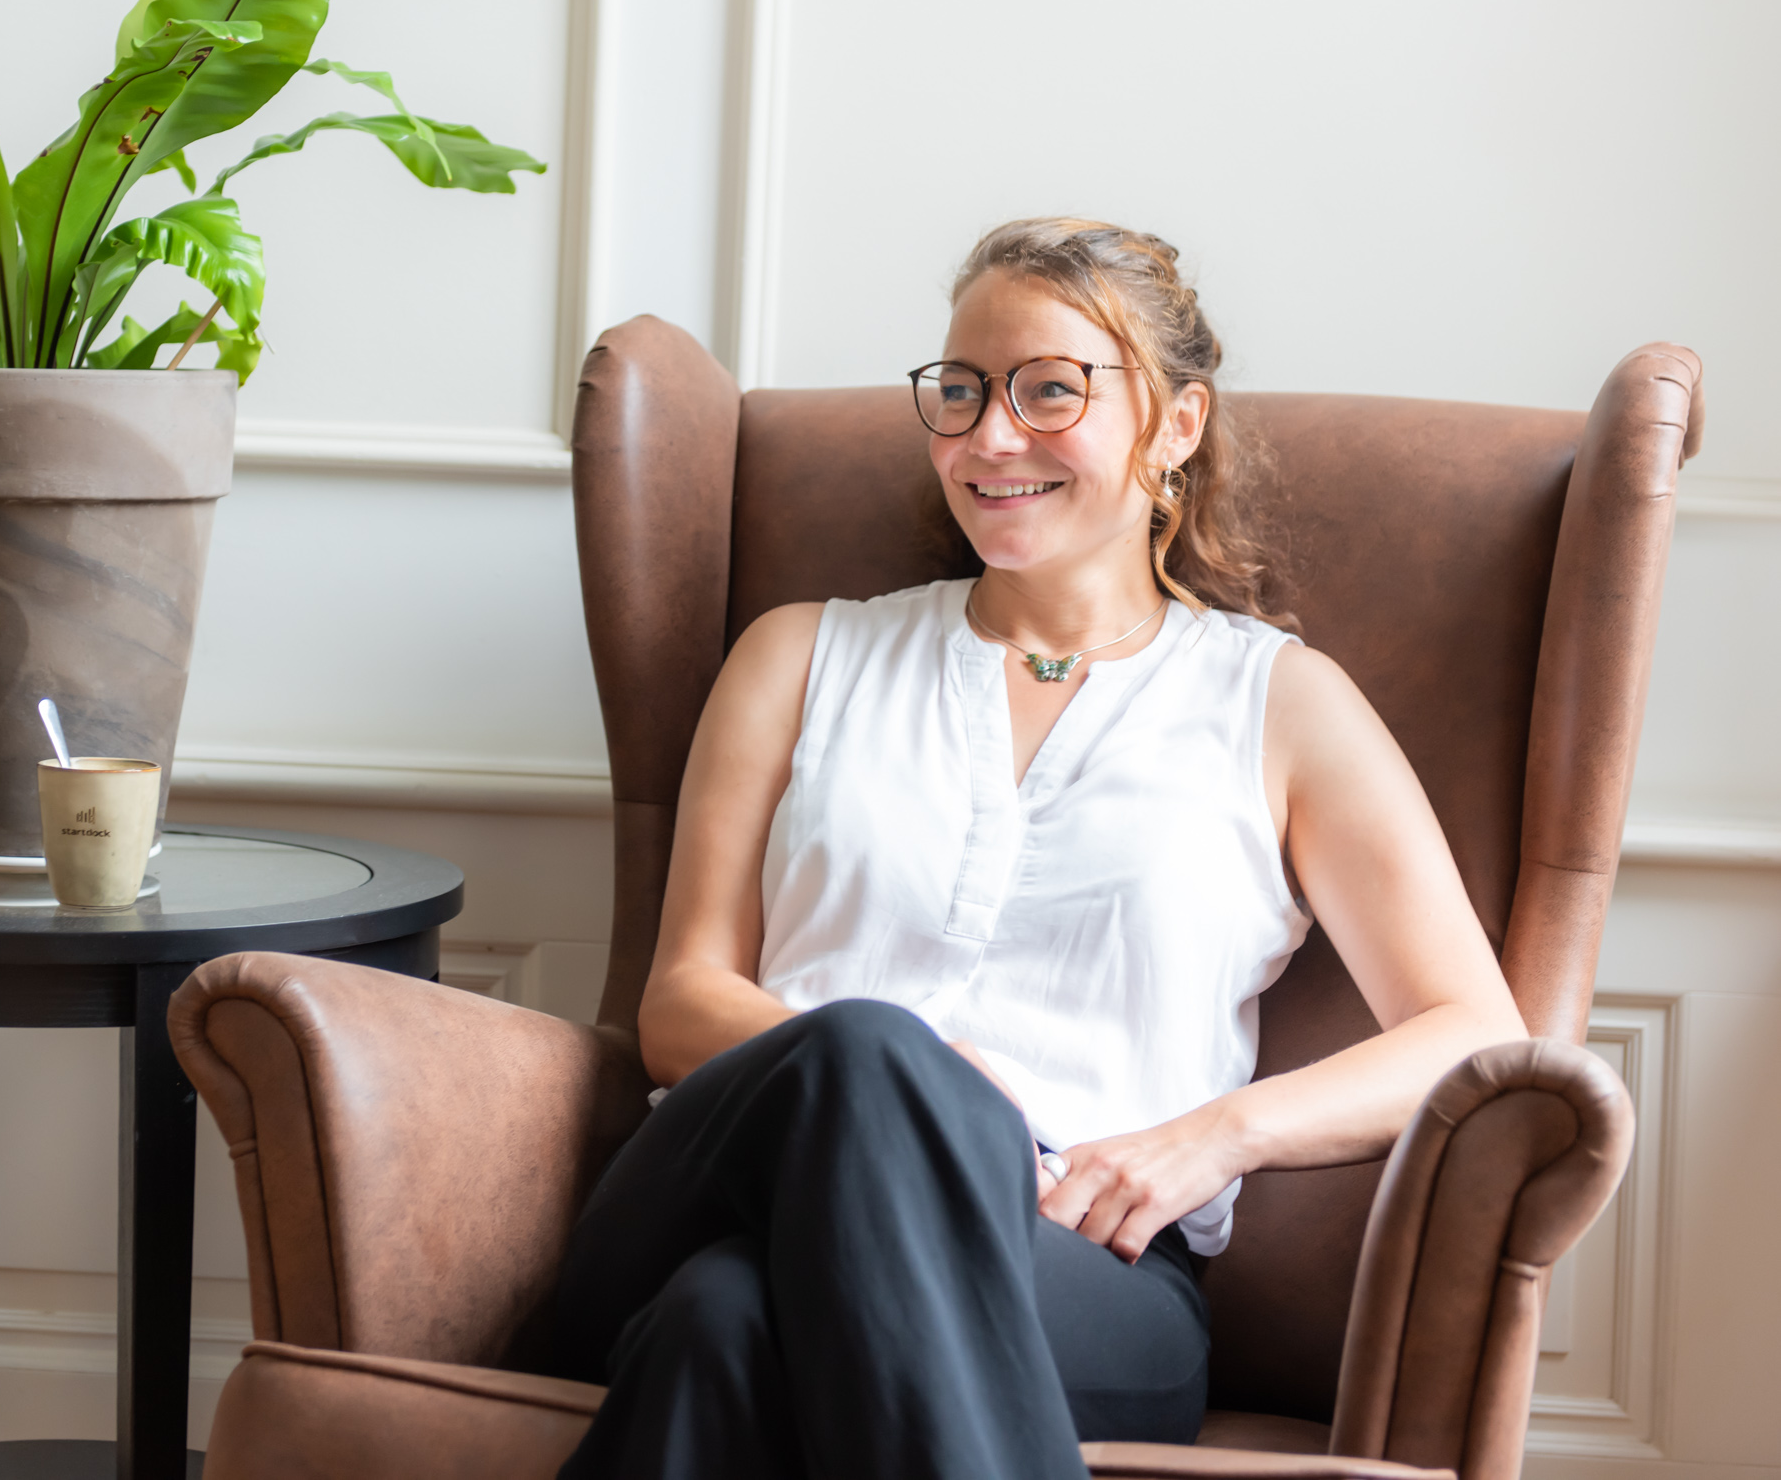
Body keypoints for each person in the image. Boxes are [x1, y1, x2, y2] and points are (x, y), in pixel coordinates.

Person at [545, 219, 1529, 1480]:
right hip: (722, 1181)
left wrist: (1213, 1137)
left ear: (1175, 425)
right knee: (865, 1052)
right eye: (958, 393)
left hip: (1083, 1268)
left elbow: (1471, 1029)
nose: (988, 438)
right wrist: (914, 1091)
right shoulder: (798, 656)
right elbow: (682, 999)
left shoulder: (1276, 704)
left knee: (722, 1325)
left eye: (1049, 390)